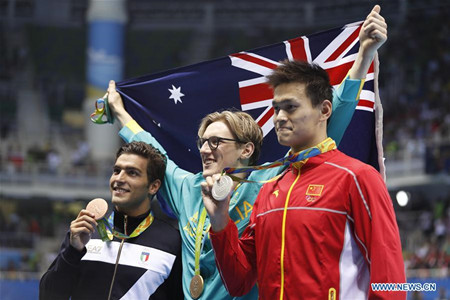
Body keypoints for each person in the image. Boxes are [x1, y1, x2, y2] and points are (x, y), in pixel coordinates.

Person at [107, 5, 388, 299]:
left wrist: (363, 56)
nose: (204, 149)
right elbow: (155, 152)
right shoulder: (189, 189)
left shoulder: (271, 185)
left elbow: (328, 123)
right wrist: (119, 112)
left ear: (246, 149)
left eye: (216, 141)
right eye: (202, 141)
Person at [202, 44, 406, 300]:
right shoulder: (268, 191)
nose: (279, 117)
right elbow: (239, 282)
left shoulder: (356, 178)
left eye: (291, 107)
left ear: (324, 111)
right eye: (276, 108)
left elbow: (390, 280)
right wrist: (220, 221)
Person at [39, 142, 182, 300]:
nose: (119, 178)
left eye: (132, 173)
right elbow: (48, 296)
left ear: (153, 187)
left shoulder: (172, 243)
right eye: (116, 170)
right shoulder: (85, 232)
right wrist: (72, 252)